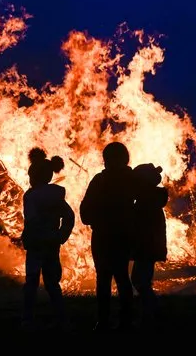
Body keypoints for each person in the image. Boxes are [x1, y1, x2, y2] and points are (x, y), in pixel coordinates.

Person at [80, 141, 136, 331]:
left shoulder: (100, 181)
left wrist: (96, 219)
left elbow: (85, 212)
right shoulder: (132, 179)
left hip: (104, 237)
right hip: (122, 236)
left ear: (105, 160)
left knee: (103, 279)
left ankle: (103, 321)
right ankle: (125, 320)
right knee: (121, 277)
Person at [20, 148, 75, 330]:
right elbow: (69, 216)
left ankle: (27, 319)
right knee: (52, 283)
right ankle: (61, 318)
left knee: (31, 282)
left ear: (34, 177)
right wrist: (60, 235)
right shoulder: (57, 196)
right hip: (51, 244)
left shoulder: (30, 196)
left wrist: (26, 237)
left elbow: (31, 220)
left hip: (36, 245)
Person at [130, 163, 168, 329]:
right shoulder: (152, 200)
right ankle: (149, 313)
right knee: (142, 280)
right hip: (148, 248)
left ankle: (154, 311)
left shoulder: (146, 203)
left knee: (140, 280)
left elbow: (141, 228)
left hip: (146, 248)